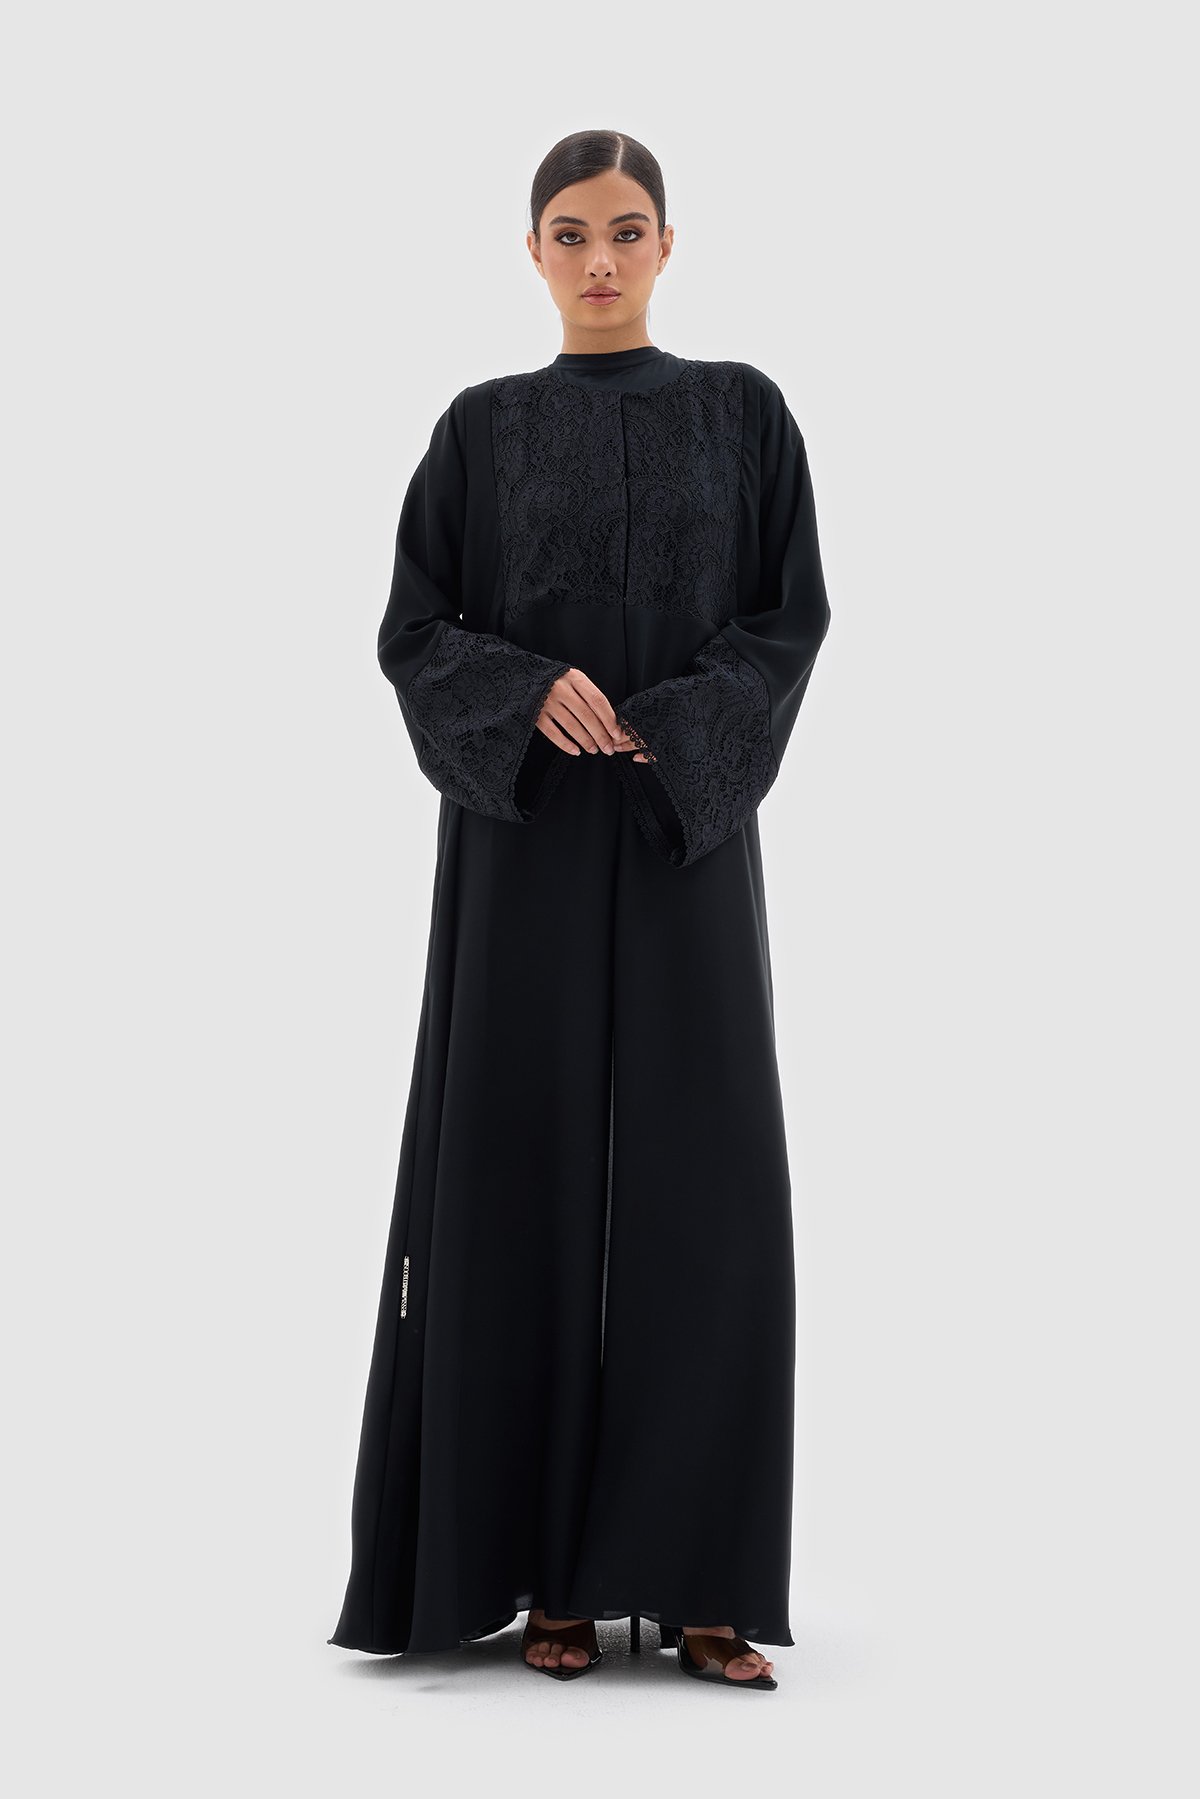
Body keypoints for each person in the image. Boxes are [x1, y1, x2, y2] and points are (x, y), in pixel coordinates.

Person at [327, 128, 832, 1693]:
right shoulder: (478, 430)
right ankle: (543, 1569)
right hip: (526, 831)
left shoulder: (745, 413)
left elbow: (789, 616)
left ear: (668, 244)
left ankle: (699, 1581)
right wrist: (525, 686)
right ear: (533, 252)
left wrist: (682, 726)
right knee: (515, 1168)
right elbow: (415, 630)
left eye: (625, 229)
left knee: (708, 1183)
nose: (599, 259)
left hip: (685, 826)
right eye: (569, 232)